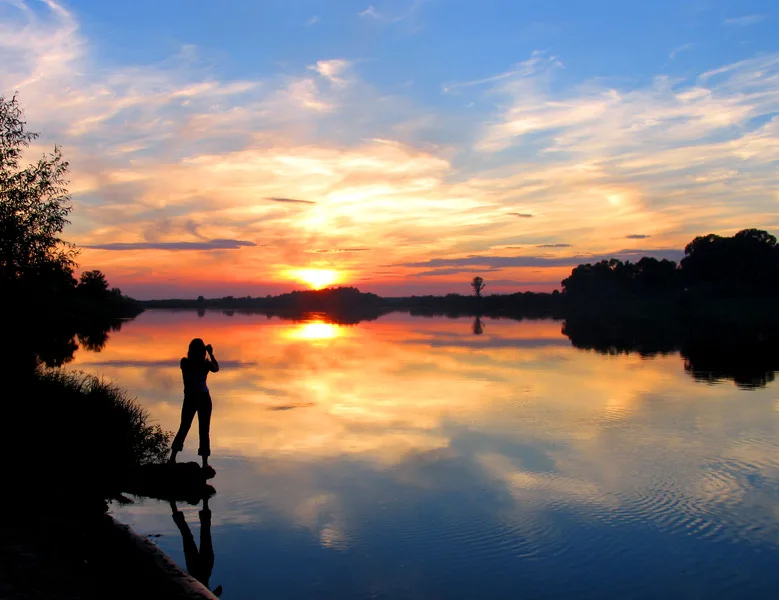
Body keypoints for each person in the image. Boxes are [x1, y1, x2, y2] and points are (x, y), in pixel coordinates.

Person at [170, 338, 219, 467]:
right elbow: (216, 368)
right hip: (202, 398)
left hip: (192, 398)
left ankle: (172, 458)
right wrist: (211, 353)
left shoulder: (185, 362)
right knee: (203, 430)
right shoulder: (204, 364)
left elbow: (215, 369)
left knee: (185, 427)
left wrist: (207, 353)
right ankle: (204, 463)